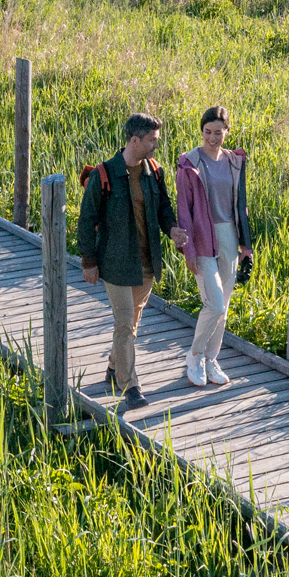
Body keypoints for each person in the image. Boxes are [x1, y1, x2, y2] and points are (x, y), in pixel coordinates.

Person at [79, 112, 187, 410]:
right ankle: (130, 386)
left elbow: (163, 206)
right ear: (135, 139)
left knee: (132, 324)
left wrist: (173, 229)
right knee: (125, 323)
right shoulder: (105, 174)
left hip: (147, 261)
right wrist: (89, 262)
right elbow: (86, 220)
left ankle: (114, 368)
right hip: (115, 263)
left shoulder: (154, 170)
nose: (156, 145)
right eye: (152, 140)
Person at [174, 106, 251, 387]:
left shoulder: (234, 161)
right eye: (208, 132)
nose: (212, 138)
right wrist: (188, 250)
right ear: (201, 131)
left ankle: (211, 358)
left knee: (225, 305)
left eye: (218, 132)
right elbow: (184, 210)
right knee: (214, 305)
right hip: (201, 237)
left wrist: (246, 244)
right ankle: (194, 355)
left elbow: (241, 205)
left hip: (229, 236)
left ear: (227, 131)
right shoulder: (189, 163)